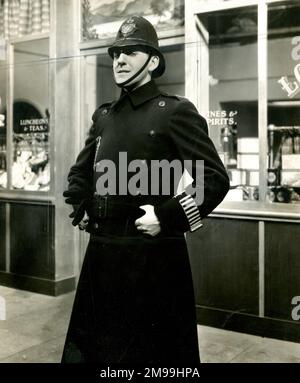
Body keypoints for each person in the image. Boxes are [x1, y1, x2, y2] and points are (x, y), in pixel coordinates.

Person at [61, 15, 229, 364]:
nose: (119, 60)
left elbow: (214, 178)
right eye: (116, 53)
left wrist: (167, 217)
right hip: (103, 253)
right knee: (99, 353)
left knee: (151, 358)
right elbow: (80, 172)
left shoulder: (174, 112)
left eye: (131, 52)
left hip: (153, 256)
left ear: (152, 61)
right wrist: (82, 204)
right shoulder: (105, 116)